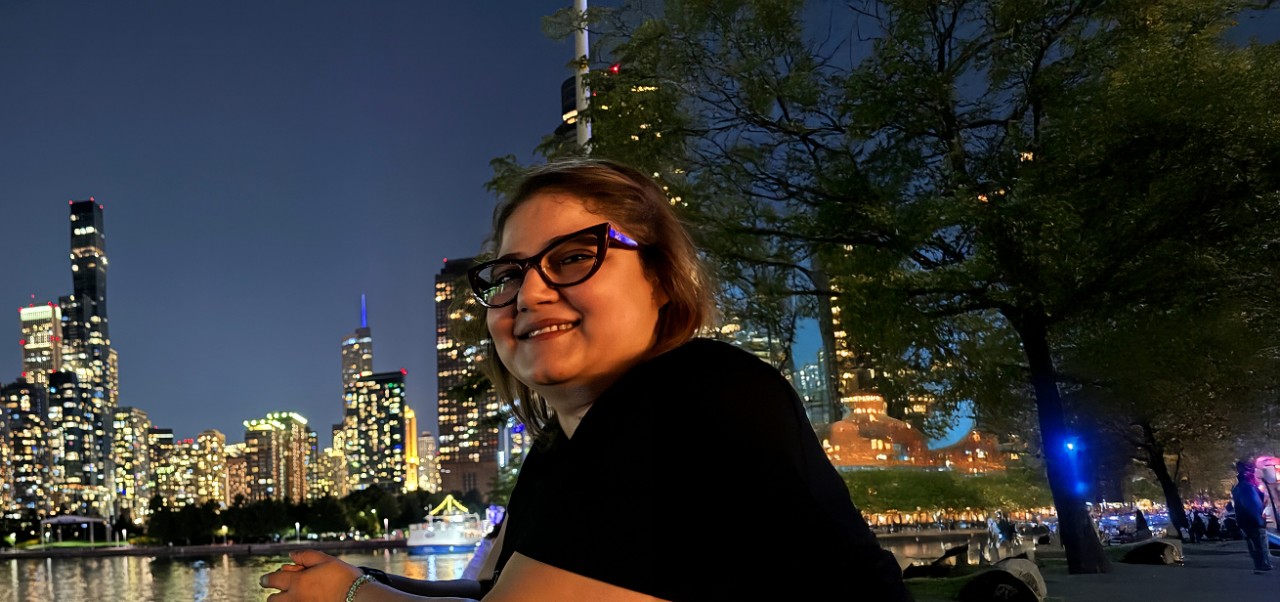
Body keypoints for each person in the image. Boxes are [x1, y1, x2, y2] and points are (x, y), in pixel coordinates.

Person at [260, 159, 912, 601]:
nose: (530, 293)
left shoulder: (698, 395)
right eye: (509, 273)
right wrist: (364, 575)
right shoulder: (559, 447)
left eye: (574, 257)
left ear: (660, 279)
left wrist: (352, 594)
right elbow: (501, 589)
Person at [1231, 459, 1274, 571]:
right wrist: (1260, 520)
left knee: (1253, 542)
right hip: (1253, 520)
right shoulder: (1248, 487)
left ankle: (1259, 563)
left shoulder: (1238, 487)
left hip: (1245, 521)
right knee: (1260, 541)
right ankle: (1264, 563)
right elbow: (1253, 505)